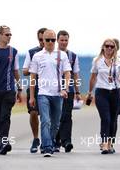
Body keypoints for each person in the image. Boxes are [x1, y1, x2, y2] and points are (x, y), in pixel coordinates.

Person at [29, 29, 72, 157]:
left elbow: (67, 73)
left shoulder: (62, 55)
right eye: (48, 40)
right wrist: (32, 96)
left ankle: (49, 142)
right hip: (43, 94)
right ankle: (47, 147)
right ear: (43, 40)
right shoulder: (37, 56)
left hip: (58, 94)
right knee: (45, 121)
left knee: (56, 123)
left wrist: (65, 88)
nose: (50, 42)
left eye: (53, 40)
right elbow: (32, 77)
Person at [86, 38, 120, 154]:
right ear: (103, 47)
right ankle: (104, 144)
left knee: (114, 119)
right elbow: (93, 77)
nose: (109, 48)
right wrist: (90, 92)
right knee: (106, 118)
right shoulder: (97, 60)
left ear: (115, 48)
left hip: (115, 92)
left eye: (112, 46)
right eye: (107, 46)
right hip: (101, 92)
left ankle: (110, 143)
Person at [0, 25, 22, 155]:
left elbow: (16, 71)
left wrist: (19, 88)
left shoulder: (14, 52)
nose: (9, 37)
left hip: (8, 91)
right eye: (7, 34)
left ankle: (4, 142)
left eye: (10, 34)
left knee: (5, 117)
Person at [55, 30, 81, 153]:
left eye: (66, 40)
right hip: (53, 90)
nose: (64, 42)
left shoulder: (73, 56)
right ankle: (55, 141)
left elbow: (75, 74)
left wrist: (77, 91)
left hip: (68, 90)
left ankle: (66, 142)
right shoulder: (51, 54)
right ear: (57, 40)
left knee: (66, 116)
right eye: (62, 40)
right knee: (55, 116)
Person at [22, 28, 47, 153]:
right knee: (33, 113)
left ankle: (46, 141)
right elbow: (25, 71)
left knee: (47, 117)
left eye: (45, 39)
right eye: (40, 39)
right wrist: (35, 67)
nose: (43, 41)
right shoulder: (31, 52)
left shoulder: (55, 52)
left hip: (49, 87)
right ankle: (36, 138)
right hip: (34, 87)